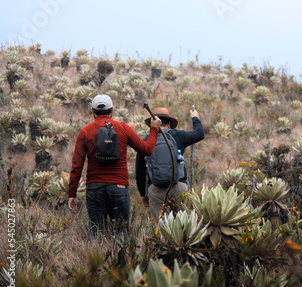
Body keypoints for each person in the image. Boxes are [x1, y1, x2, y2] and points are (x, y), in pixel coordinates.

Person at [68, 94, 161, 240]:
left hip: (94, 188)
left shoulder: (85, 132)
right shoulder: (123, 128)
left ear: (92, 111)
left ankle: (98, 260)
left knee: (96, 235)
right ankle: (121, 262)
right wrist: (154, 129)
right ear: (112, 110)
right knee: (121, 235)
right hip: (119, 188)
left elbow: (76, 165)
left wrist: (72, 194)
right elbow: (147, 149)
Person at [135, 107, 205, 219]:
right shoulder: (179, 135)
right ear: (170, 124)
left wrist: (144, 194)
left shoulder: (146, 140)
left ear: (153, 124)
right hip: (179, 186)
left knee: (162, 227)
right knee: (182, 226)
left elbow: (140, 171)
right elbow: (200, 134)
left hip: (156, 189)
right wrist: (195, 117)